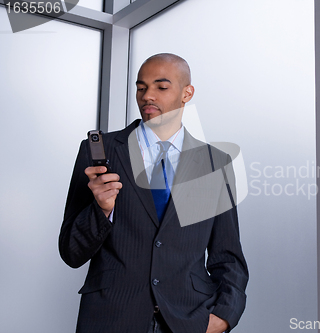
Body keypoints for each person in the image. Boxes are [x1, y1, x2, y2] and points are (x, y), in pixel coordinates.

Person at [59, 53, 248, 333]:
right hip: (111, 317)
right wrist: (102, 210)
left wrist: (224, 316)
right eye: (141, 87)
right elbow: (71, 252)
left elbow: (228, 256)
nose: (148, 96)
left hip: (190, 318)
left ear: (187, 93)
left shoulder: (214, 163)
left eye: (161, 87)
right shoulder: (100, 151)